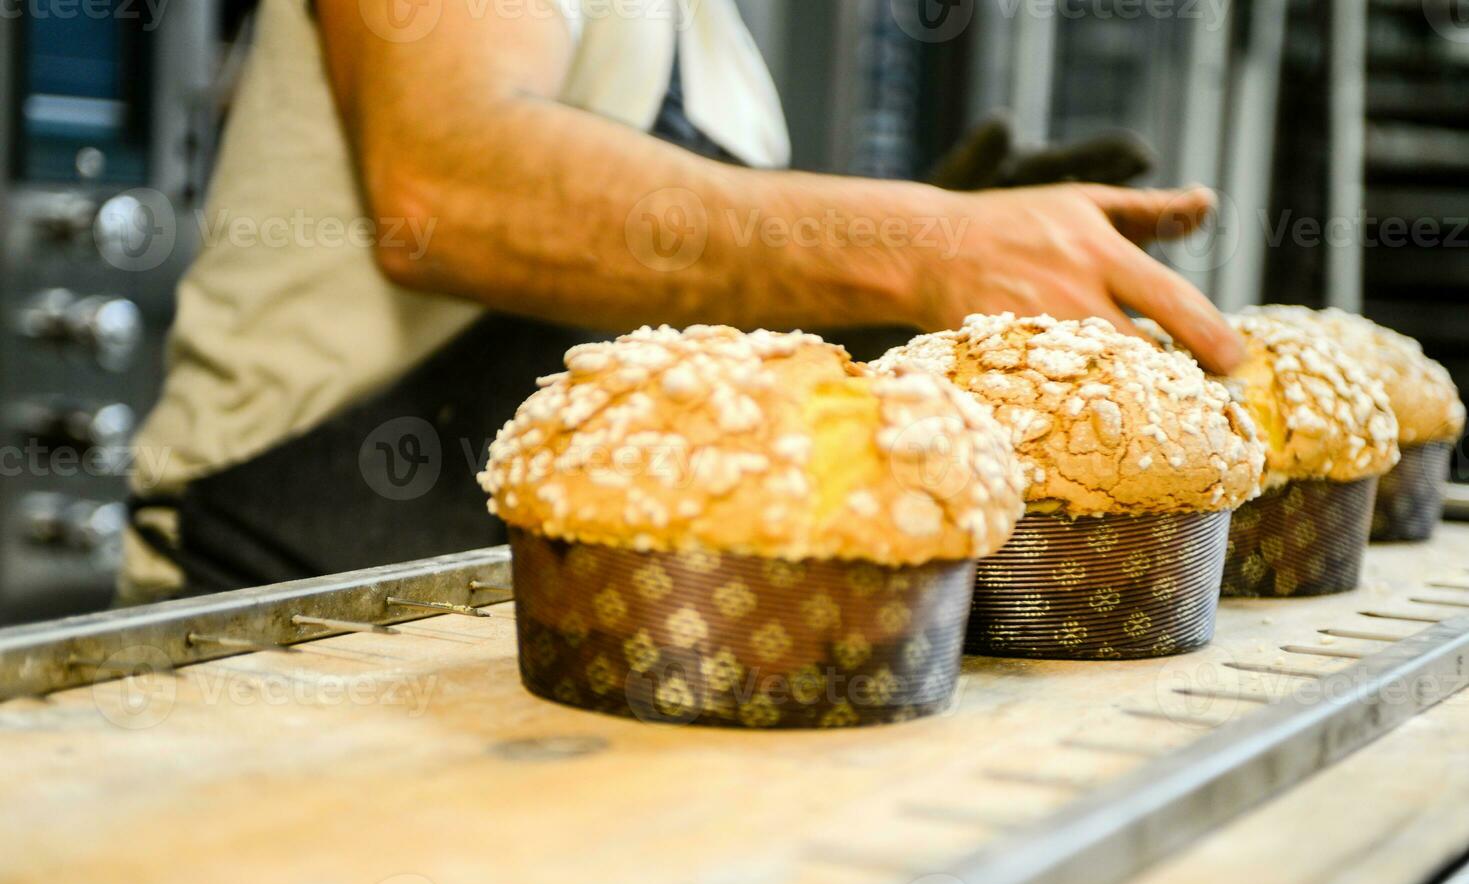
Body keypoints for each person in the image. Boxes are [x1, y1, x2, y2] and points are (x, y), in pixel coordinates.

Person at [119, 0, 1245, 603]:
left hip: (552, 608)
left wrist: (898, 274)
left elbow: (663, 272)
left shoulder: (715, 41)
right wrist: (915, 242)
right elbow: (442, 185)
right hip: (285, 599)